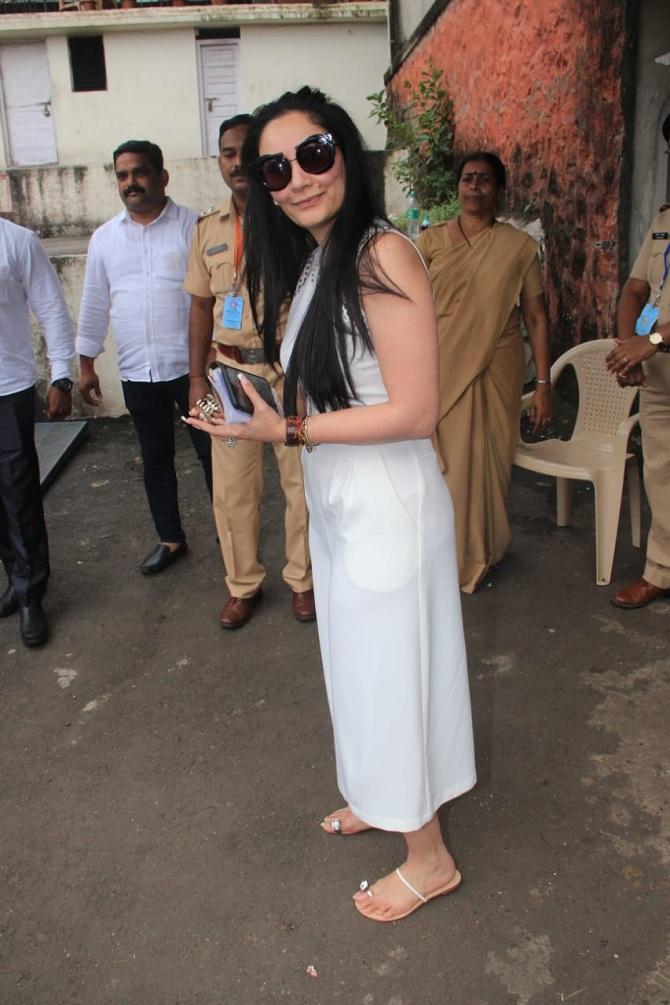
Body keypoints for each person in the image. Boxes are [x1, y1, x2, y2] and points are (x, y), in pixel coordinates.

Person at [186, 87, 476, 922]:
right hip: (344, 499)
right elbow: (334, 379)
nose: (299, 178)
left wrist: (287, 429)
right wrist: (257, 408)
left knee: (392, 679)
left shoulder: (383, 255)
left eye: (314, 154)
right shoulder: (319, 260)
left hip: (387, 503)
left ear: (345, 150)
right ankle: (385, 798)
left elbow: (416, 409)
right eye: (276, 168)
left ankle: (429, 856)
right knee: (355, 669)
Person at [184, 114, 314, 629]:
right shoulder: (206, 229)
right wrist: (197, 378)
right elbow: (199, 307)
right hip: (230, 377)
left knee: (300, 484)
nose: (236, 162)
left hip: (286, 371)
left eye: (245, 152)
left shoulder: (290, 218)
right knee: (233, 490)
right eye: (227, 153)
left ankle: (303, 580)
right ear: (218, 160)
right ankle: (243, 586)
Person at [416, 152, 552, 594]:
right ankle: (450, 555)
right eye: (468, 179)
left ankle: (485, 548)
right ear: (458, 187)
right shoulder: (429, 242)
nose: (475, 187)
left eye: (485, 180)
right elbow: (406, 310)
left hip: (497, 363)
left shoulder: (518, 248)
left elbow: (536, 316)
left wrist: (544, 384)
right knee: (448, 464)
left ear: (499, 190)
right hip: (442, 363)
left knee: (491, 460)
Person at [77, 140, 212, 575]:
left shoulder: (194, 227)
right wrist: (86, 364)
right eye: (122, 175)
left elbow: (215, 294)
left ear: (162, 176)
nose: (130, 182)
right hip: (138, 370)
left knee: (212, 451)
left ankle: (232, 534)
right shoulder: (105, 238)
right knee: (155, 456)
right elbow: (94, 302)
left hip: (195, 369)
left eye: (139, 172)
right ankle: (170, 538)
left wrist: (212, 358)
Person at [0, 218, 75, 647]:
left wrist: (61, 375)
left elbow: (51, 308)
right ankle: (16, 572)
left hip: (7, 389)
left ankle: (31, 593)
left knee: (18, 492)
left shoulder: (16, 242)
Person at [606, 113, 670, 610]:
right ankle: (660, 570)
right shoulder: (664, 221)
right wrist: (630, 345)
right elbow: (638, 289)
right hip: (660, 375)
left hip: (658, 349)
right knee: (660, 475)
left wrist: (652, 339)